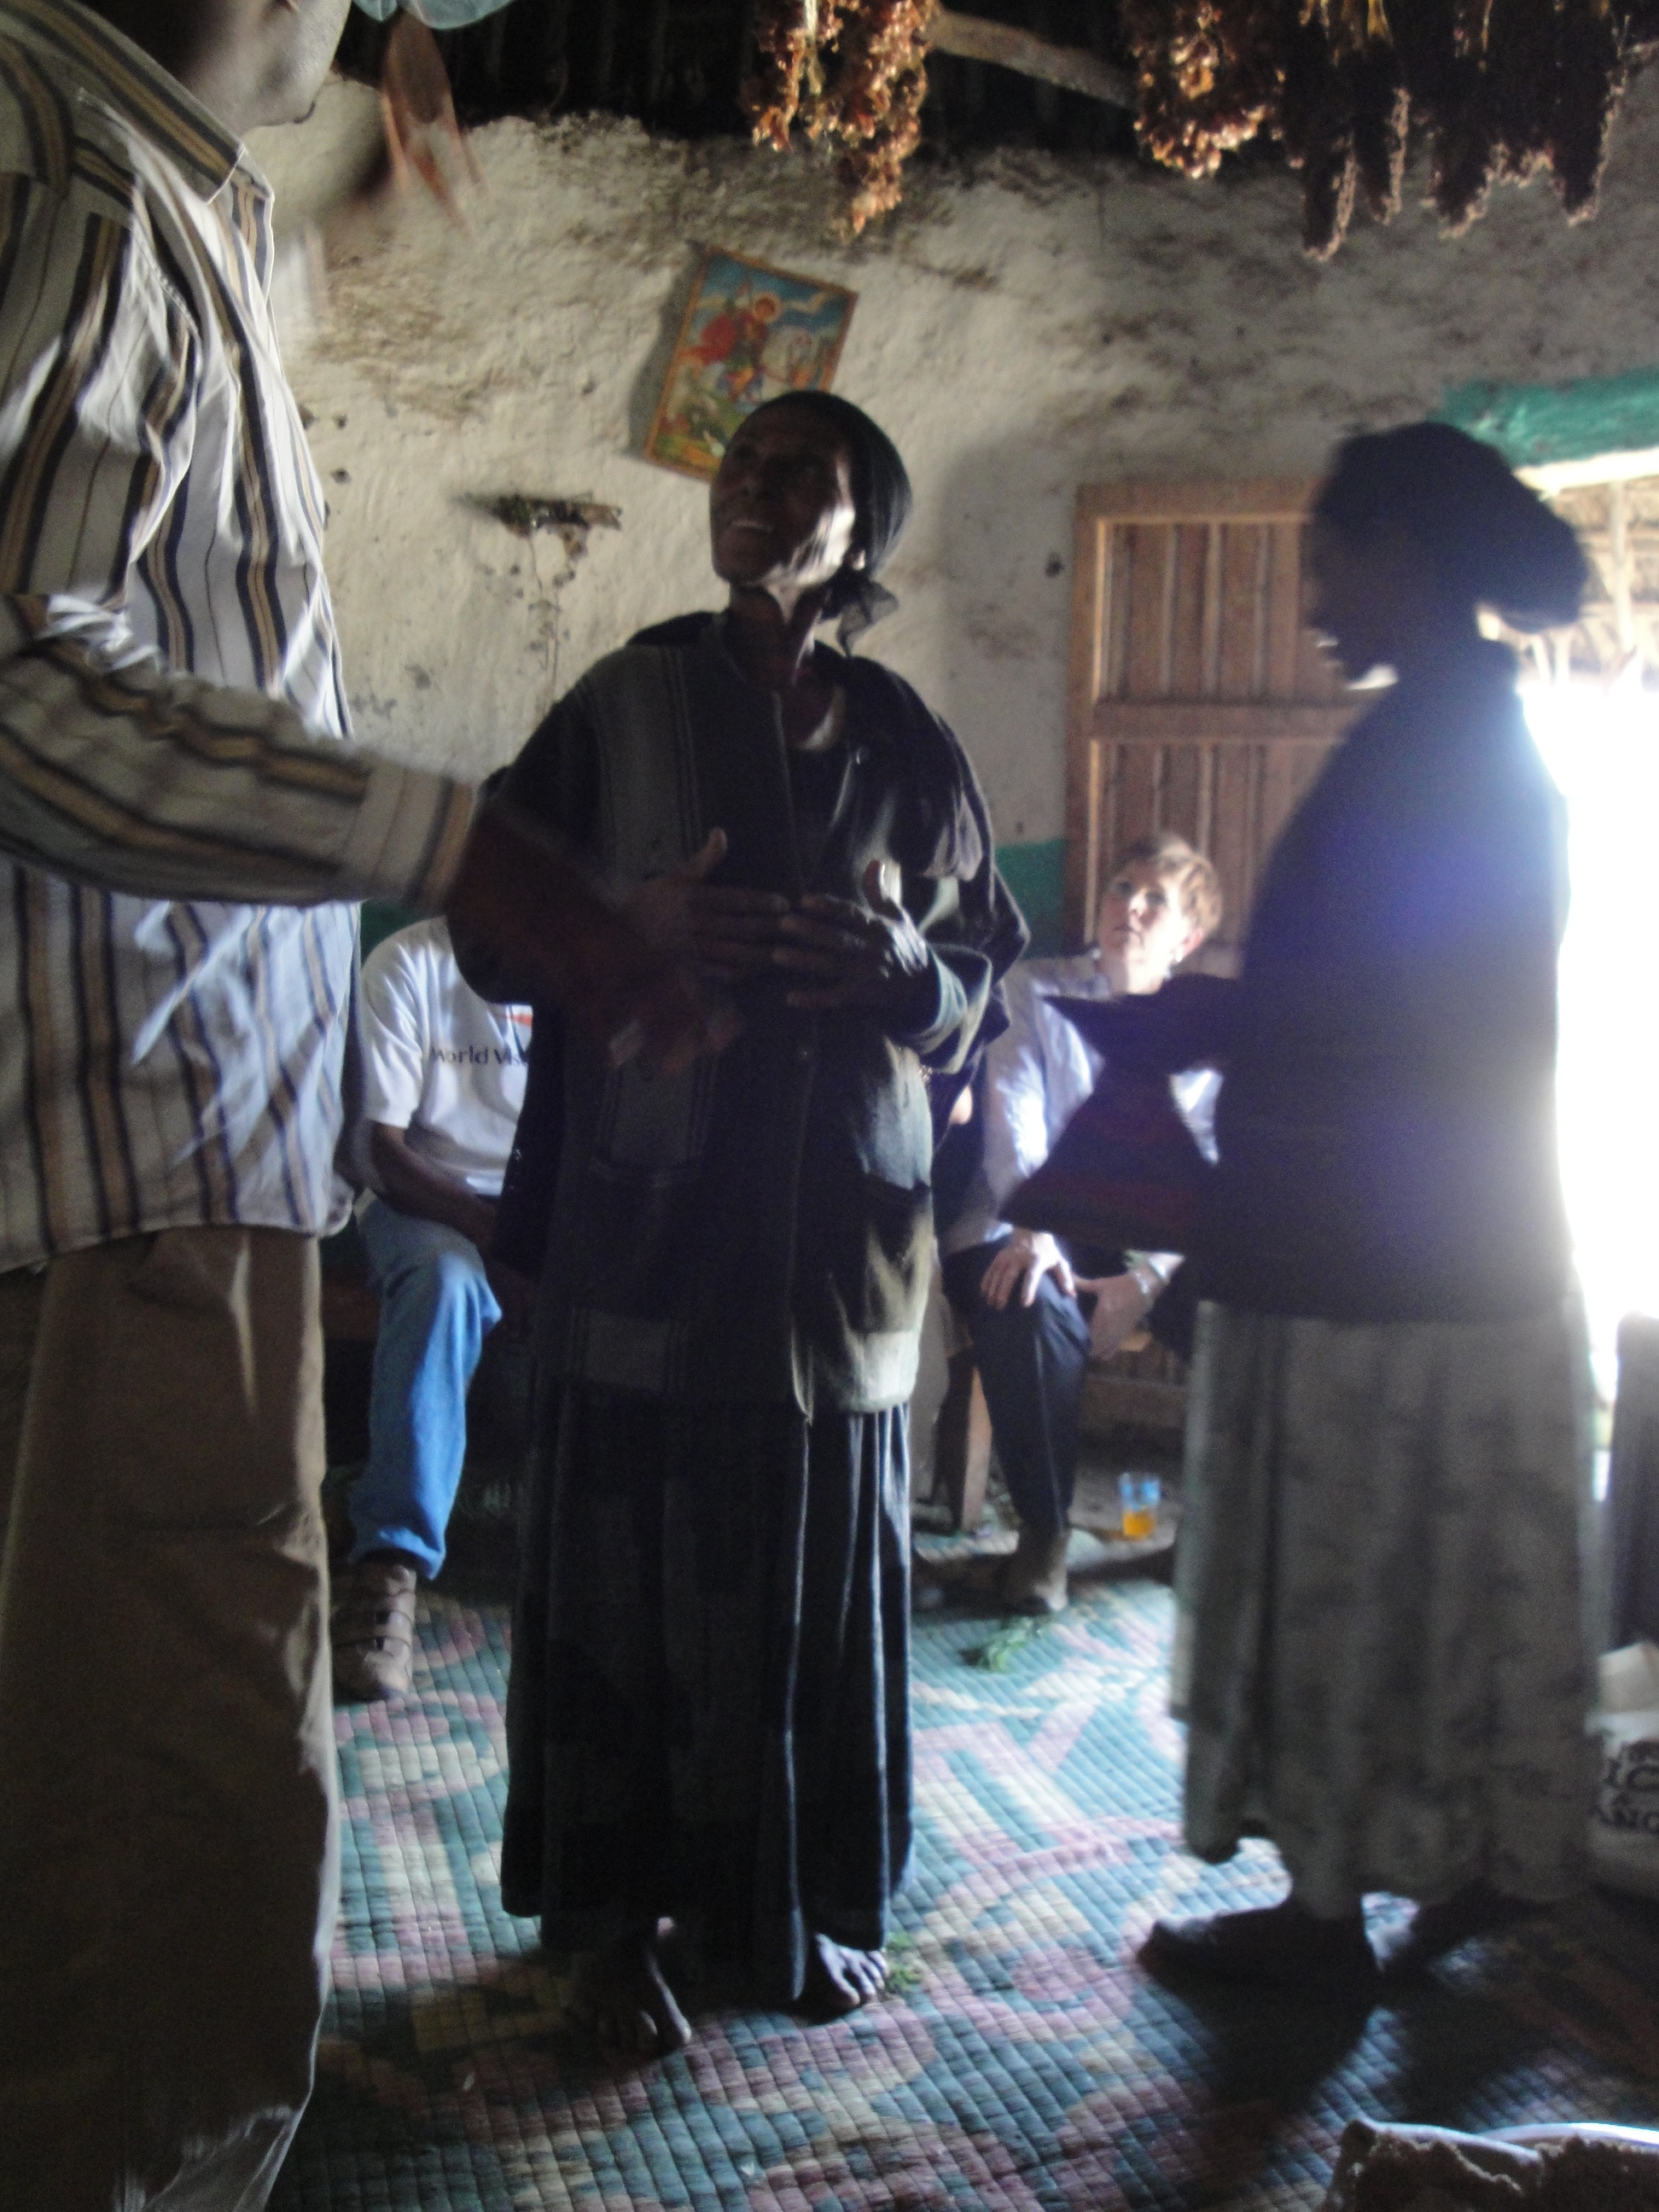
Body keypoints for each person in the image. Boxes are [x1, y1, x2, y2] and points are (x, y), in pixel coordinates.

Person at [0, 3, 713, 2204]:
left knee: (148, 1831)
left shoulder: (129, 184)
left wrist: (334, 239)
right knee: (167, 1861)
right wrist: (454, 843)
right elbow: (22, 674)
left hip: (167, 1171)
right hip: (131, 1186)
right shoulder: (77, 171)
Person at [460, 389, 1027, 2060]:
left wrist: (903, 972)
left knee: (798, 1586)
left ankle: (780, 1917)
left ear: (866, 534)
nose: (758, 488)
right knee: (628, 1585)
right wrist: (614, 919)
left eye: (805, 473)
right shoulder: (627, 707)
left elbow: (982, 985)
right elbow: (489, 904)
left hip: (835, 1261)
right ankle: (612, 1935)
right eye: (743, 462)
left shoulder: (911, 743)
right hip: (646, 1229)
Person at [1101, 424, 1592, 1998]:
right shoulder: (1455, 736)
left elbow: (1393, 1033)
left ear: (1418, 562)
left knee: (1347, 1577)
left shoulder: (1445, 755)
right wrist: (1227, 1025)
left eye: (1335, 554)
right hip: (1456, 1244)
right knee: (1450, 1581)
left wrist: (1211, 1031)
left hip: (1374, 1263)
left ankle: (1319, 1926)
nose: (1310, 587)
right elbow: (1378, 1006)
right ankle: (1477, 1859)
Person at [940, 832, 1220, 1612]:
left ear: (1187, 937)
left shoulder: (1199, 1032)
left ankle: (1210, 1532)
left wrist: (1147, 1280)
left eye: (1154, 899)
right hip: (1020, 1217)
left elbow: (1203, 1171)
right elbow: (1012, 1121)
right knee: (1023, 1300)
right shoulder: (1033, 991)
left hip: (1140, 1239)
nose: (1129, 906)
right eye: (1119, 888)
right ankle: (1045, 1536)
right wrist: (1036, 1236)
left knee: (1236, 1304)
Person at [332, 917, 534, 1702]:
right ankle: (389, 1567)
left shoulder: (572, 968)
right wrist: (497, 1236)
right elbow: (378, 1150)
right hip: (424, 1198)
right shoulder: (408, 963)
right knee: (448, 1286)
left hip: (532, 1205)